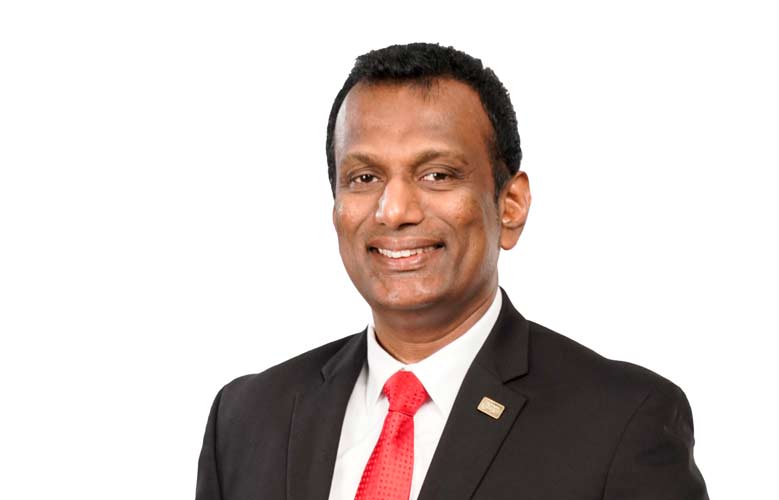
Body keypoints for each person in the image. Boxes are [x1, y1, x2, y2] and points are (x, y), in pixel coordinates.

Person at [196, 42, 708, 500]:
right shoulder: (246, 419)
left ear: (510, 205)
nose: (394, 210)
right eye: (364, 177)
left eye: (437, 174)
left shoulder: (621, 422)